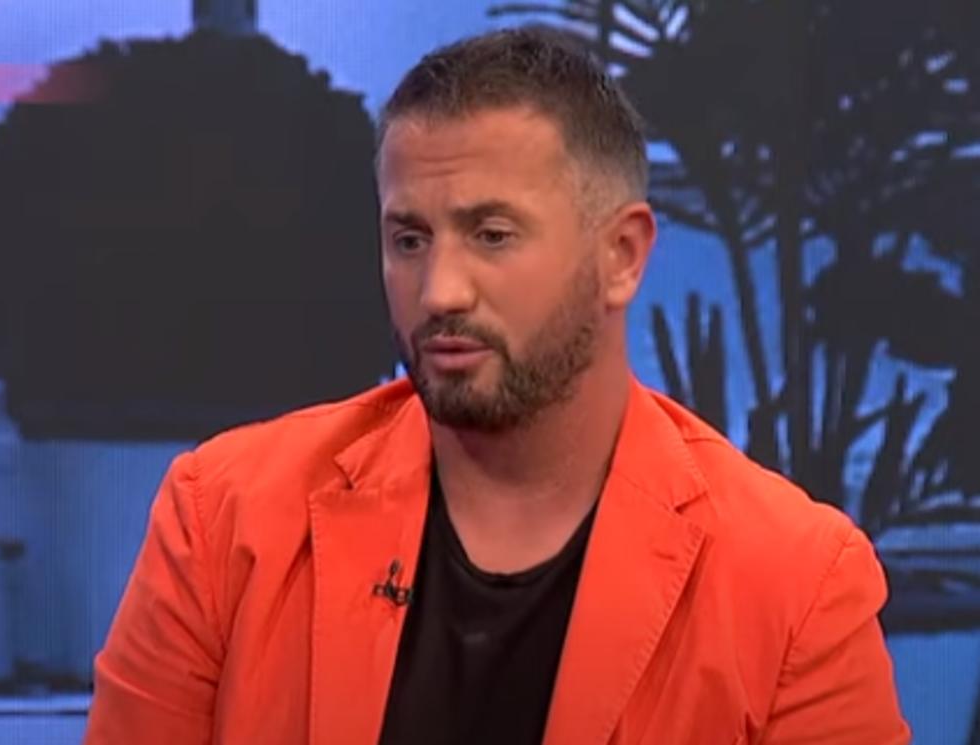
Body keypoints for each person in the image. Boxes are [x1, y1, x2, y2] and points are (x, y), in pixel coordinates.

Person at [84, 26, 910, 745]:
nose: (440, 290)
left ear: (621, 256)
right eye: (410, 239)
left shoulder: (794, 585)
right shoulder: (225, 518)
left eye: (492, 234)